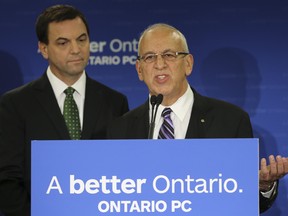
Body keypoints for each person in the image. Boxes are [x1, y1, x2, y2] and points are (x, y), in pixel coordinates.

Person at [107, 23, 288, 213]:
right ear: (139, 69)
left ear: (188, 64)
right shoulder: (120, 130)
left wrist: (262, 186)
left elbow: (245, 203)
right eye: (150, 57)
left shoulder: (231, 121)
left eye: (169, 55)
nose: (159, 64)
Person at [0, 5, 129, 216]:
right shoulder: (15, 104)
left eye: (81, 39)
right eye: (63, 42)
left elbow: (123, 174)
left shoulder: (115, 102)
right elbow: (7, 180)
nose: (76, 49)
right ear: (43, 49)